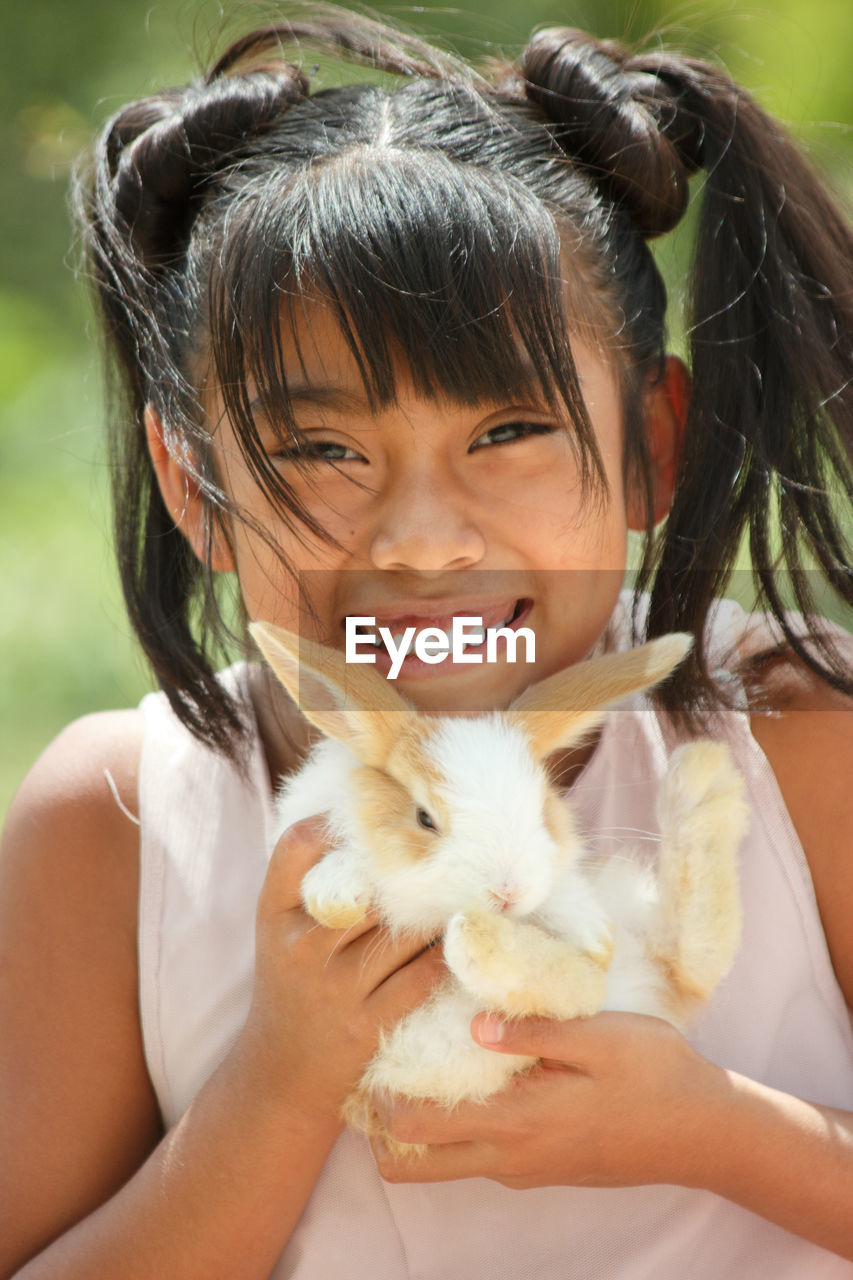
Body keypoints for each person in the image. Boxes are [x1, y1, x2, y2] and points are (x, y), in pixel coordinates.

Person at [1, 6, 852, 1277]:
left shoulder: (789, 741)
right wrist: (276, 1088)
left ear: (650, 450)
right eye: (322, 450)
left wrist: (712, 1128)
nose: (421, 540)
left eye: (508, 432)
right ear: (195, 490)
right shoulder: (122, 820)